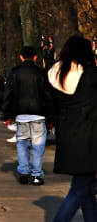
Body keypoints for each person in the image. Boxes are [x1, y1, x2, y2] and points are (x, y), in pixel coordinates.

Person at [48, 36, 97, 222]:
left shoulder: (55, 74)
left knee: (87, 188)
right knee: (79, 188)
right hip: (89, 138)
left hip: (68, 136)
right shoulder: (90, 75)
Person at [3, 45, 56, 186]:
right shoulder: (41, 73)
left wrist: (7, 114)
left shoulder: (14, 72)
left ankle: (24, 171)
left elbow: (8, 94)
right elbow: (48, 96)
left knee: (22, 143)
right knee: (38, 146)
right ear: (35, 57)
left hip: (21, 113)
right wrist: (51, 117)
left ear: (21, 57)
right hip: (39, 113)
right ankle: (36, 174)